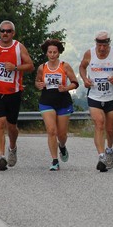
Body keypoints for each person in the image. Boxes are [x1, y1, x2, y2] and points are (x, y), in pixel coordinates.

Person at [0, 20, 34, 171]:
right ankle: (0, 156)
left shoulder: (18, 47)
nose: (5, 33)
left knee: (12, 126)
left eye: (8, 31)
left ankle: (12, 147)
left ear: (13, 33)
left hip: (14, 92)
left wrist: (16, 67)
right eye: (2, 30)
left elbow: (30, 65)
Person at [79, 30, 113, 172]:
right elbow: (82, 66)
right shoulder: (89, 53)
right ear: (96, 43)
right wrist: (85, 79)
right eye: (99, 45)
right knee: (99, 124)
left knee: (110, 129)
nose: (101, 48)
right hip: (94, 95)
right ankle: (101, 157)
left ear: (108, 43)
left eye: (104, 45)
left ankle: (109, 150)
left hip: (111, 96)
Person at [35, 39, 79, 171]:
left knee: (62, 134)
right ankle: (54, 160)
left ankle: (62, 146)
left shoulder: (65, 66)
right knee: (51, 131)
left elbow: (75, 82)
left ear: (59, 53)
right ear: (46, 53)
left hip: (63, 101)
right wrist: (39, 85)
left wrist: (66, 88)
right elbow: (37, 82)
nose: (52, 54)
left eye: (55, 52)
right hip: (47, 101)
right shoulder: (42, 68)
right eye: (50, 52)